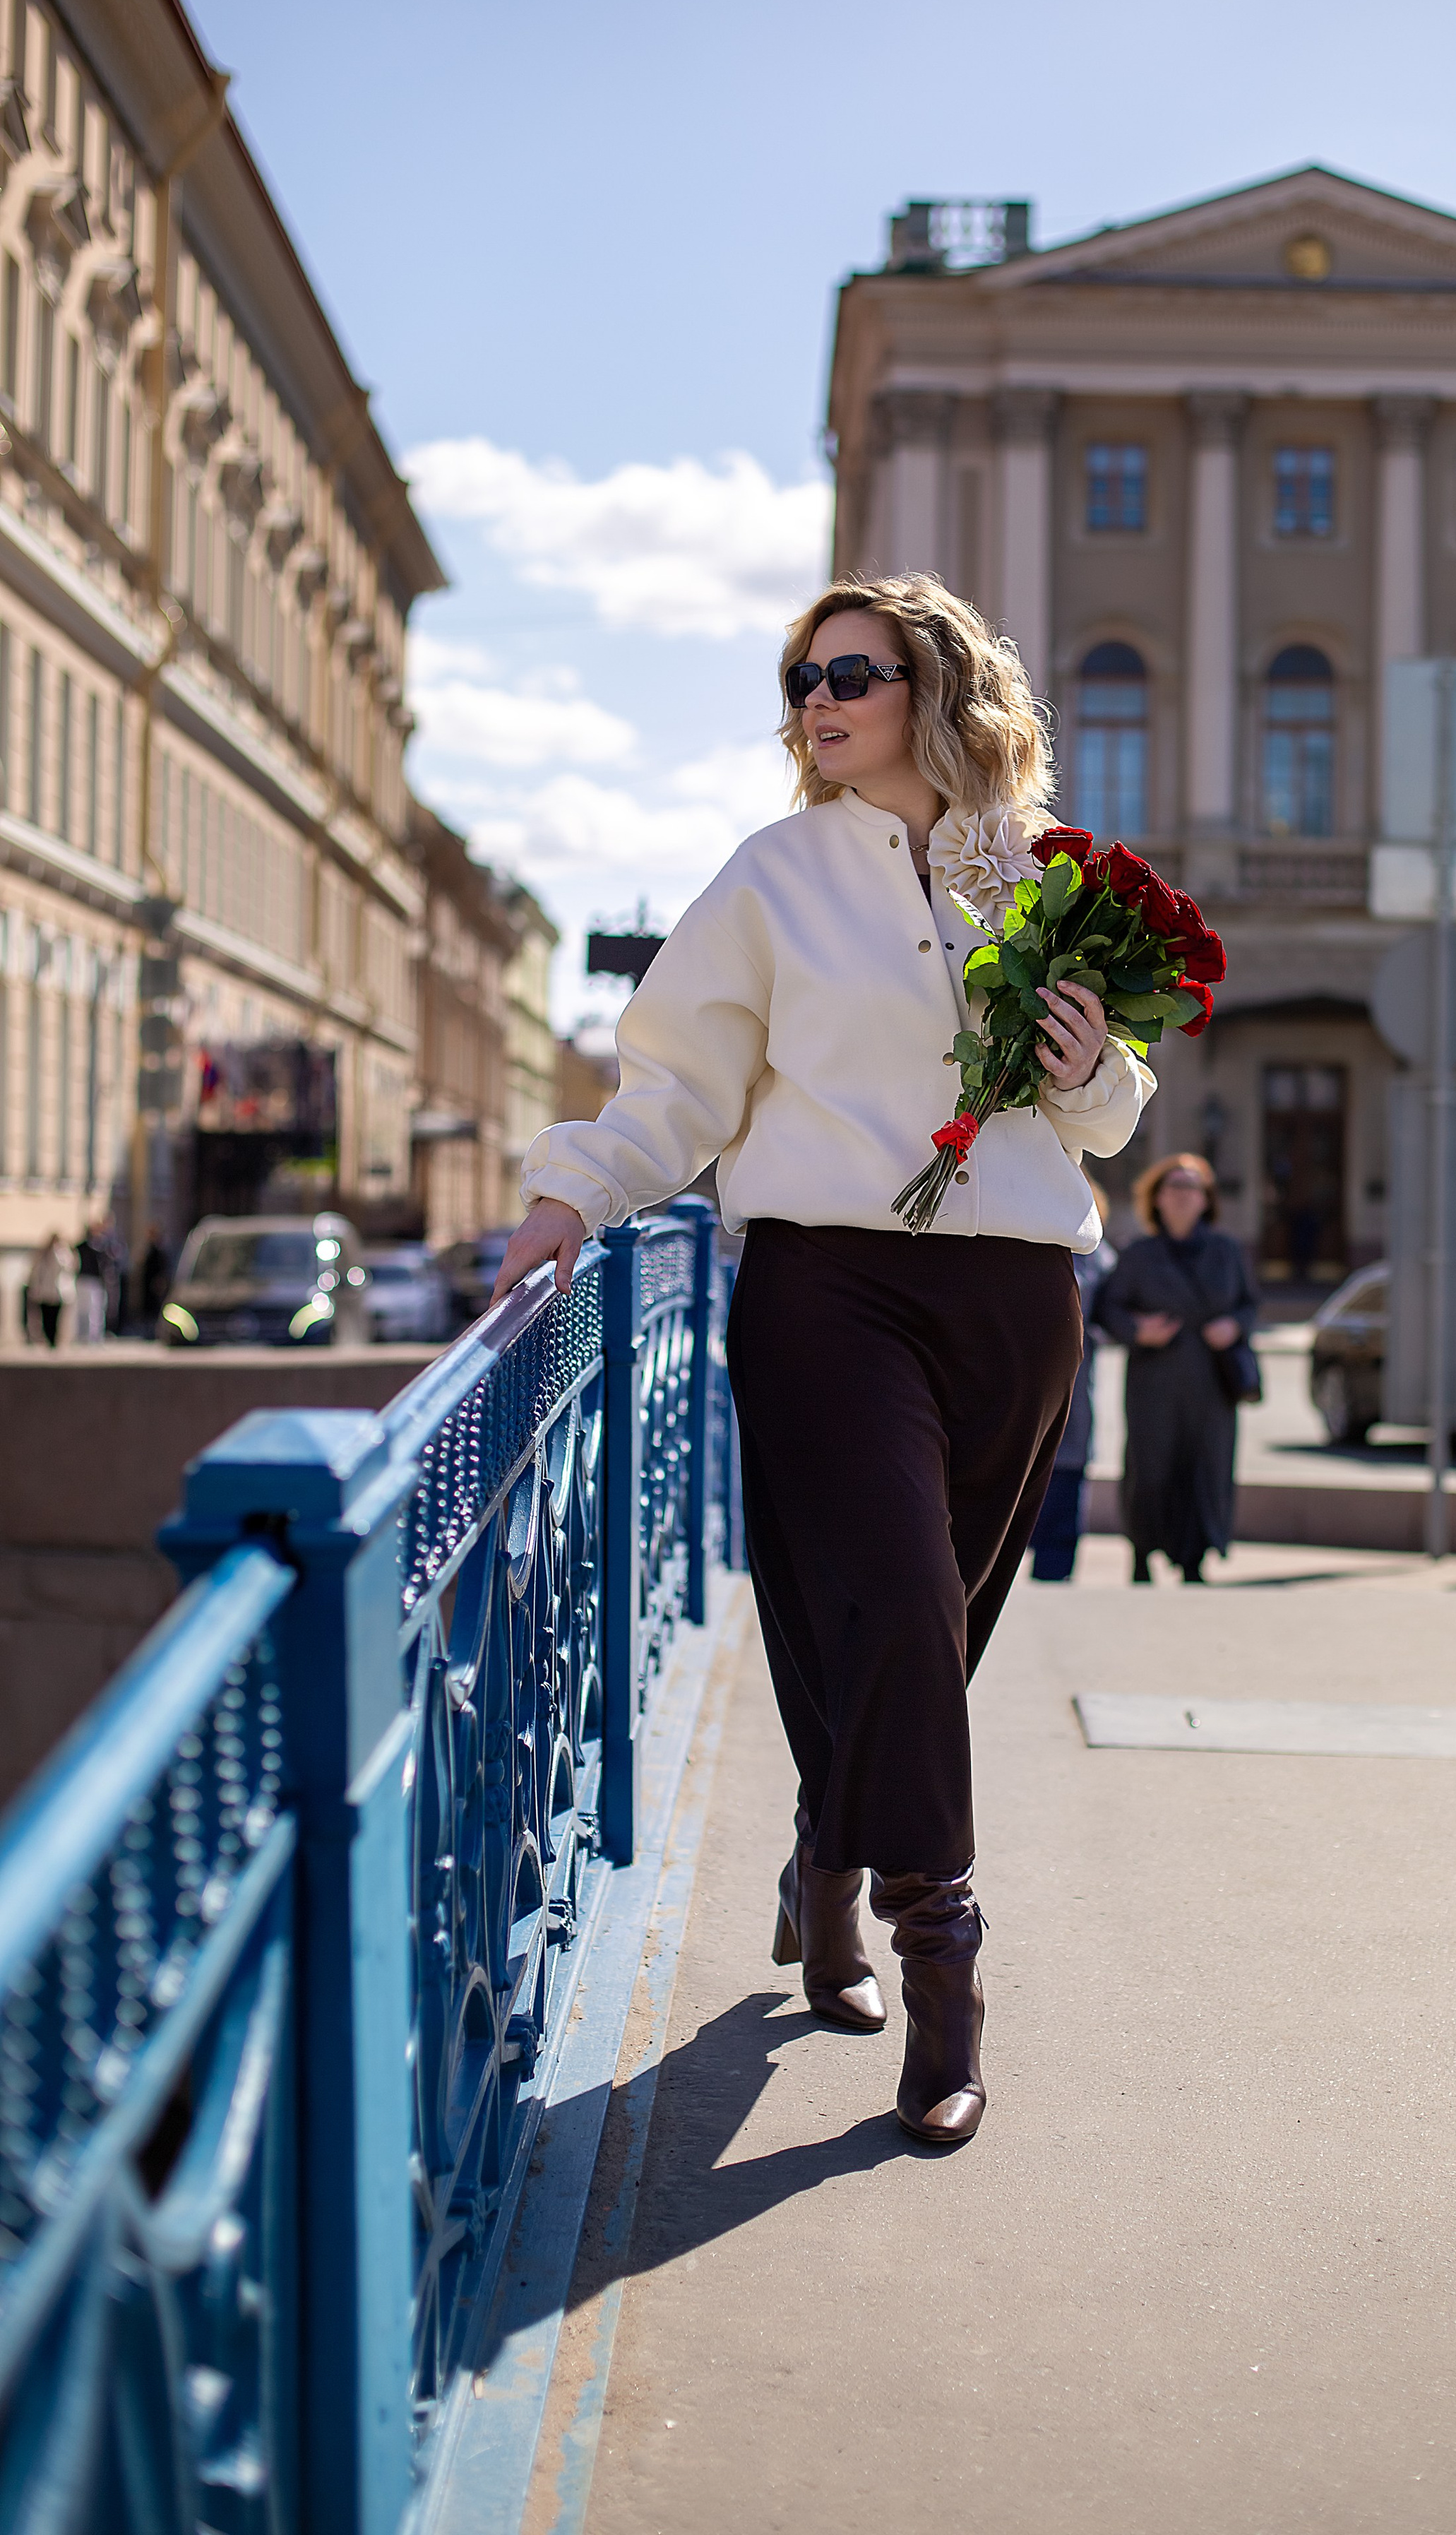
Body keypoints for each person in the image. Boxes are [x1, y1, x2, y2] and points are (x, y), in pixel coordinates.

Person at [490, 572, 1153, 2145]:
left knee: (938, 1625)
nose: (814, 699)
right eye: (796, 679)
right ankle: (948, 1974)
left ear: (932, 682)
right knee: (901, 1604)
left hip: (1015, 1303)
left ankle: (825, 1860)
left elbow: (1110, 1119)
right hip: (824, 1295)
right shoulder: (770, 879)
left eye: (846, 671)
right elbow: (673, 1089)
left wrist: (1093, 1073)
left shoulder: (1041, 873)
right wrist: (566, 1192)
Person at [1092, 1153, 1258, 1584]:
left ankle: (1195, 1558)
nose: (1183, 1197)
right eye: (1174, 1188)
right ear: (1157, 1199)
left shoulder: (1226, 1252)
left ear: (1207, 1200)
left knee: (1207, 1465)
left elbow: (1249, 1304)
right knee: (1151, 1466)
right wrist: (1137, 1329)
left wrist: (1233, 1325)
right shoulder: (1139, 1255)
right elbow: (1107, 1308)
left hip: (1210, 1381)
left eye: (1192, 1188)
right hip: (1155, 1380)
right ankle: (1143, 1554)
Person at [1027, 1180, 1116, 1581]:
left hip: (1072, 1396)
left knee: (1064, 1484)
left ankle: (1054, 1576)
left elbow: (1116, 1315)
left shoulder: (1100, 1261)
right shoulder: (1020, 1249)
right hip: (1019, 1392)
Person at [26, 1233, 73, 1349]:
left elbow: (68, 1268)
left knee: (56, 1317)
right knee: (46, 1317)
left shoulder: (64, 1254)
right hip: (45, 1292)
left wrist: (59, 1253)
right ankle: (48, 1338)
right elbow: (36, 1272)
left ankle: (55, 1339)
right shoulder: (42, 1255)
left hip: (58, 1292)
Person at [72, 1221, 110, 1344]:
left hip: (96, 1281)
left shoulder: (102, 1246)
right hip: (84, 1279)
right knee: (83, 1310)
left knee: (95, 1310)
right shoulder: (83, 1246)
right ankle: (81, 1336)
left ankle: (94, 1336)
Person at [137, 1225, 171, 1331]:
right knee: (147, 1306)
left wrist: (160, 1281)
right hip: (147, 1283)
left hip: (155, 1283)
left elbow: (162, 1268)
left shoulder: (159, 1250)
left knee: (155, 1307)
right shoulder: (149, 1248)